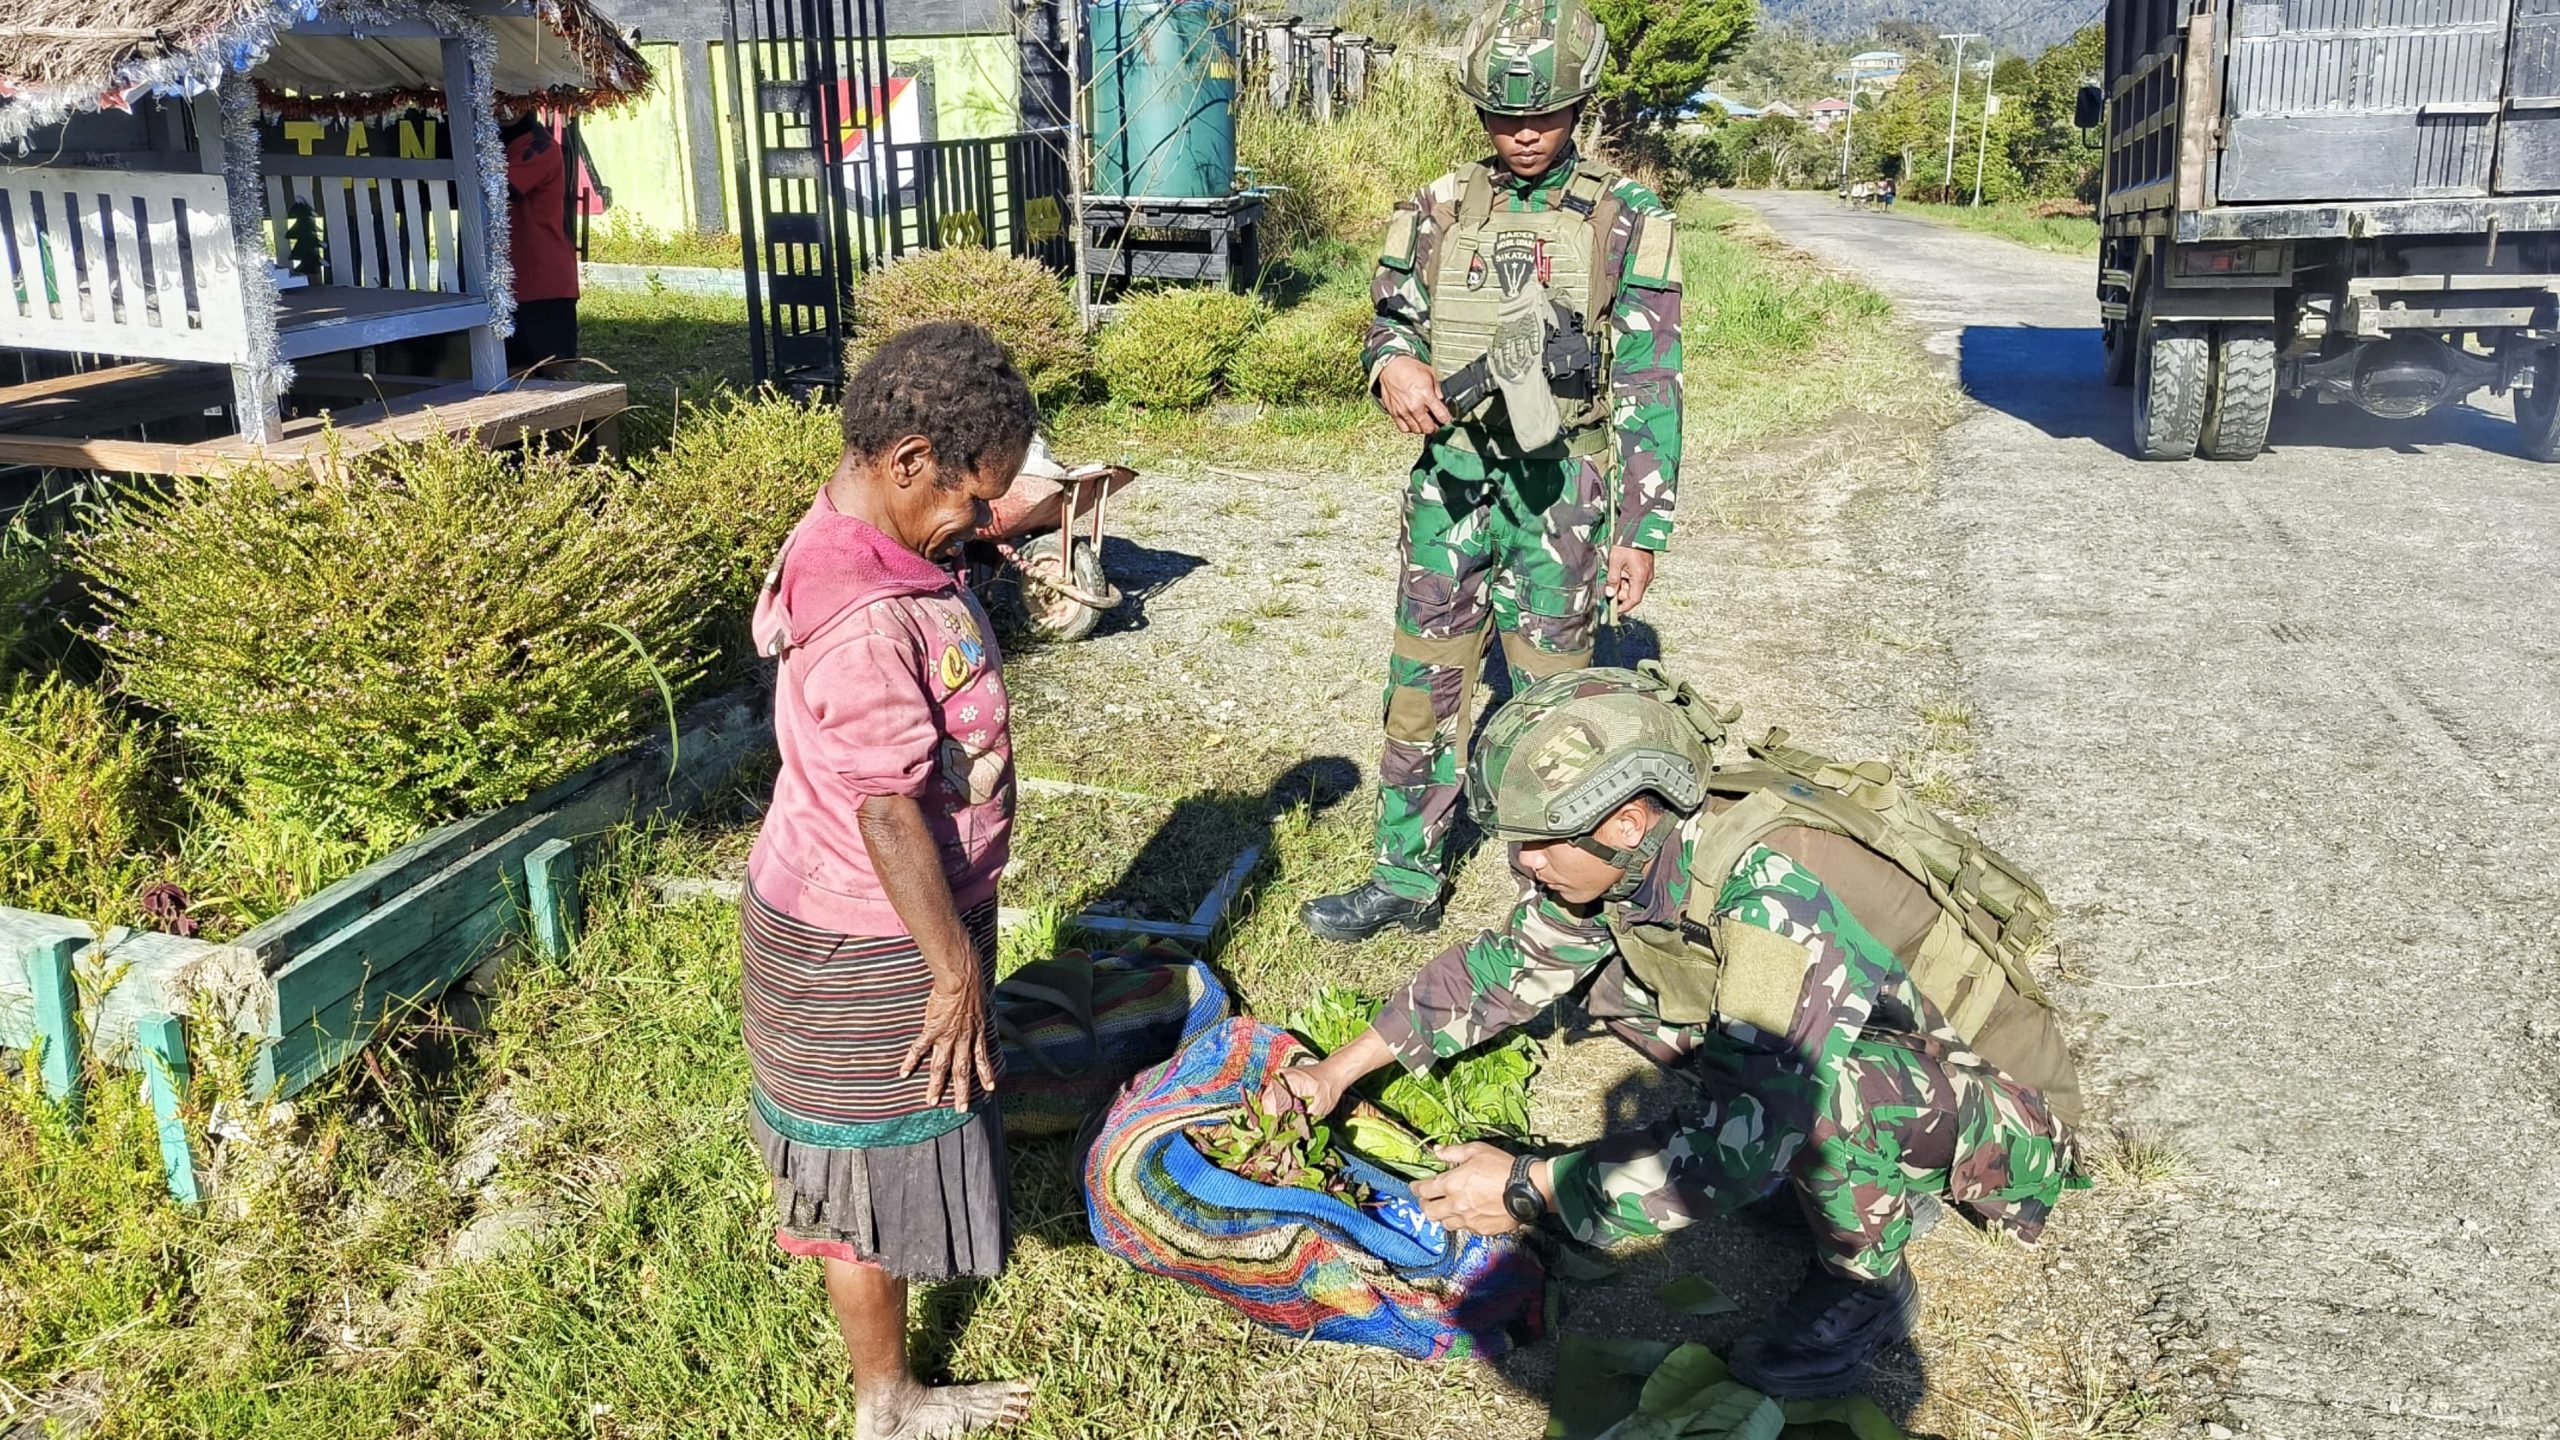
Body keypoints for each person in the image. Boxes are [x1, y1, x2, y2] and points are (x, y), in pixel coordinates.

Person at [1265, 668, 2087, 1397]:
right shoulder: (1647, 849)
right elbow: (1507, 967)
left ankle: (1865, 1285)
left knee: (1816, 1100)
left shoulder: (1772, 892)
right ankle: (1855, 1176)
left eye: (1539, 845)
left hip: (2007, 1109)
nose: (1523, 867)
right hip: (1896, 1050)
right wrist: (1338, 1071)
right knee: (1627, 987)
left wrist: (1527, 1186)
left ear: (1624, 819)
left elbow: (1751, 1137)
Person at [1300, 0, 1685, 943]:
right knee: (1421, 689)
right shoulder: (1434, 207)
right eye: (1505, 118)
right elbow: (1389, 318)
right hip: (1450, 490)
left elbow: (1649, 379)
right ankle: (1404, 875)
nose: (1523, 134)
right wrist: (1393, 364)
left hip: (1560, 497)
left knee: (1556, 704)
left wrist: (1643, 529)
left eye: (1545, 117)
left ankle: (1559, 895)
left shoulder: (1627, 218)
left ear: (1580, 108)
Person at [740, 321, 1039, 1440]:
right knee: (864, 1180)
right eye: (975, 498)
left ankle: (888, 1386)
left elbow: (957, 529)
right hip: (869, 938)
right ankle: (888, 1401)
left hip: (880, 916)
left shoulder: (868, 524)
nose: (983, 518)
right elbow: (884, 808)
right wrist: (953, 971)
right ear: (911, 459)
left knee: (875, 1154)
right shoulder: (866, 620)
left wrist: (979, 541)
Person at [500, 106, 580, 376]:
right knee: (513, 374)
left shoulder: (541, 147)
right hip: (512, 280)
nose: (503, 107)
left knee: (555, 374)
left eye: (511, 99)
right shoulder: (504, 145)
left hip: (544, 280)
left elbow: (502, 189)